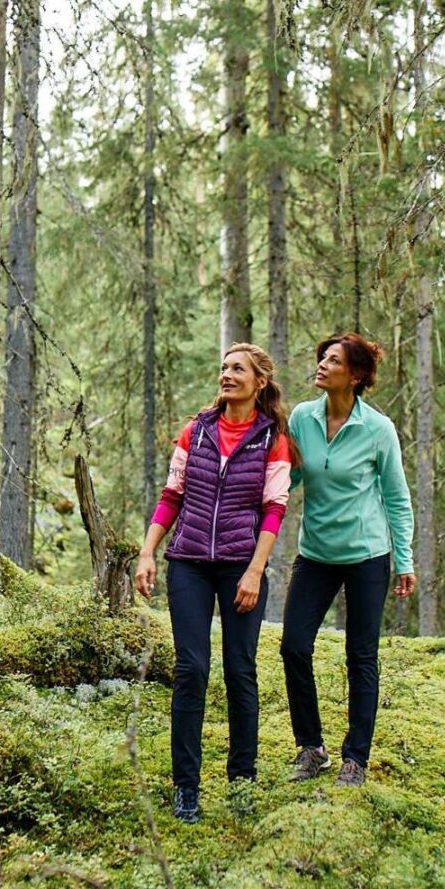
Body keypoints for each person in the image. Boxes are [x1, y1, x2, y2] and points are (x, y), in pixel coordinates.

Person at [135, 343, 296, 823]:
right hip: (187, 563)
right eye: (224, 368)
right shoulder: (197, 431)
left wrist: (254, 570)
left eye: (238, 369)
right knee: (191, 670)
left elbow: (274, 510)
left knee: (240, 670)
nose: (227, 375)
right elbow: (172, 495)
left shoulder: (272, 439)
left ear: (259, 381)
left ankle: (241, 781)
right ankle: (186, 787)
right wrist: (148, 552)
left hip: (240, 566)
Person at [280, 333, 415, 788]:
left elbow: (396, 497)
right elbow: (292, 477)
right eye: (322, 357)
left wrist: (405, 559)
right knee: (293, 646)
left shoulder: (378, 429)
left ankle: (355, 758)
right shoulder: (302, 417)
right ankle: (312, 747)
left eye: (332, 360)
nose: (321, 365)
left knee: (361, 656)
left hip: (365, 556)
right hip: (315, 554)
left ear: (355, 376)